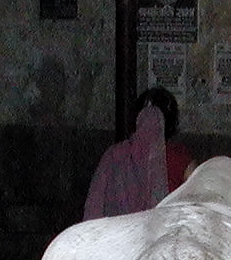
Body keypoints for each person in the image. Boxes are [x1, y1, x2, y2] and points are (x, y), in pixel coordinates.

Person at [82, 87, 195, 220]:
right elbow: (195, 205)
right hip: (164, 231)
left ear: (137, 118)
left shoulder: (115, 154)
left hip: (119, 231)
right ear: (171, 123)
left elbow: (94, 205)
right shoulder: (181, 158)